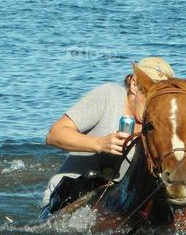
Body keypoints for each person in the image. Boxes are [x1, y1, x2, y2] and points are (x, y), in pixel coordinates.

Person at [42, 57, 174, 215]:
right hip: (68, 198)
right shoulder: (109, 96)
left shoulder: (160, 125)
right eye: (149, 93)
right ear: (133, 84)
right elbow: (54, 134)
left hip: (119, 206)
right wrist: (99, 144)